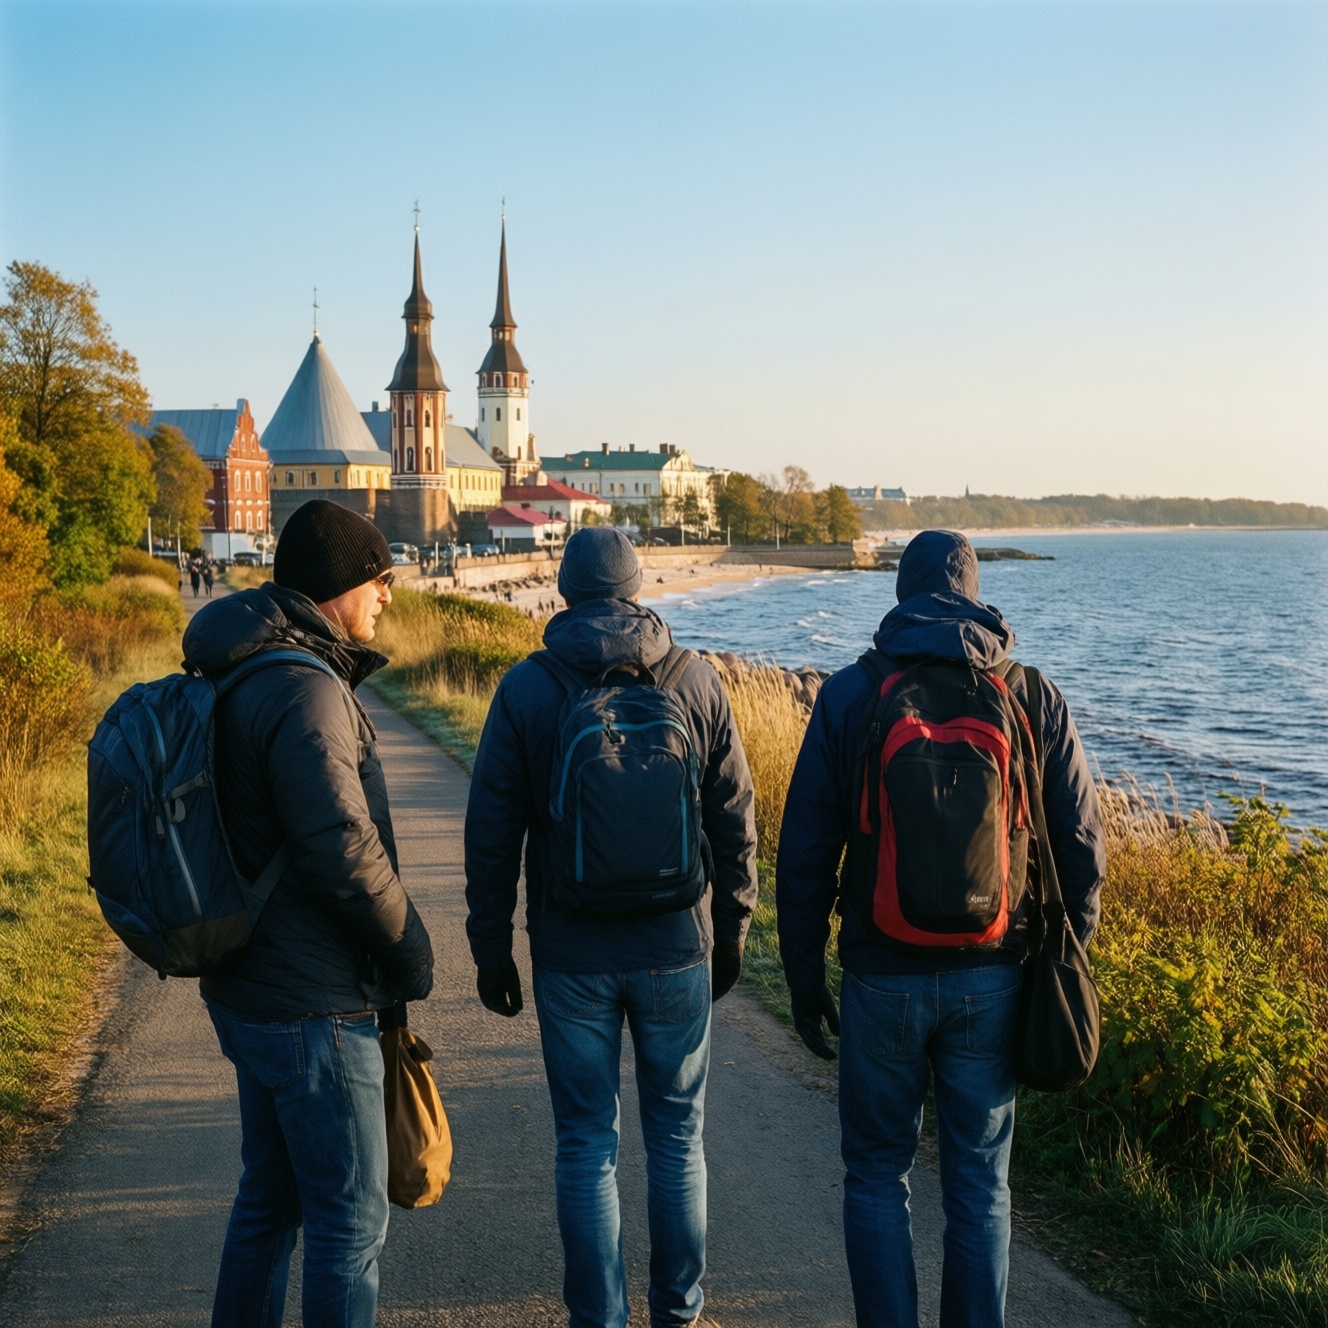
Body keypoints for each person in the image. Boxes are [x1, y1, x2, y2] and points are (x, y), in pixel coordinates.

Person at [776, 529, 1105, 1328]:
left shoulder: (853, 692)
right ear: (975, 591)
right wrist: (1066, 956)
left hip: (879, 973)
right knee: (980, 1187)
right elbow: (1082, 846)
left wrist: (804, 975)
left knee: (876, 1176)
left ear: (903, 592)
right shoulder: (1029, 693)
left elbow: (806, 849)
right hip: (994, 973)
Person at [465, 526, 758, 1328]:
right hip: (674, 945)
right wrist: (732, 925)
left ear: (565, 592)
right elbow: (734, 815)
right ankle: (679, 1310)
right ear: (637, 589)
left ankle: (599, 1318)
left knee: (586, 1144)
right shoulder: (694, 679)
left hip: (571, 952)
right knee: (677, 1138)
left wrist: (492, 947)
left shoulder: (528, 688)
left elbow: (491, 831)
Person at [181, 499, 435, 1328]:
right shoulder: (305, 688)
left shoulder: (246, 667)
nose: (388, 595)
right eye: (379, 579)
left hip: (252, 986)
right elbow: (338, 845)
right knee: (349, 1224)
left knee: (270, 1201)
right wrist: (409, 946)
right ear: (338, 584)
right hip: (313, 1002)